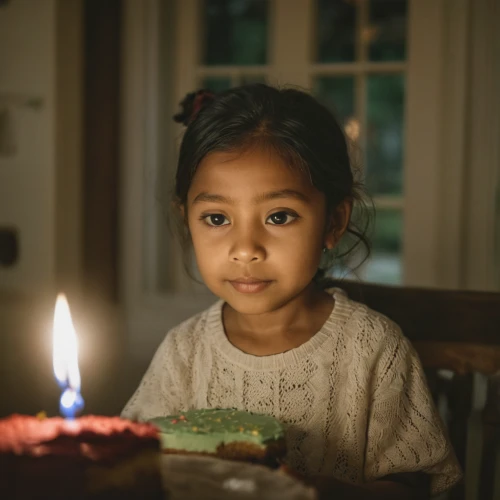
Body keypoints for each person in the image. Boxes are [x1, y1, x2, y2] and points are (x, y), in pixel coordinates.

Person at [122, 84, 462, 499]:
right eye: (216, 218)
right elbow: (134, 465)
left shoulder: (372, 349)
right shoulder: (185, 353)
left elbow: (416, 486)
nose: (246, 248)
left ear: (334, 222)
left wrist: (324, 492)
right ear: (186, 218)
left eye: (279, 216)